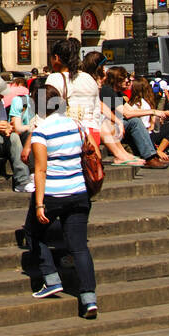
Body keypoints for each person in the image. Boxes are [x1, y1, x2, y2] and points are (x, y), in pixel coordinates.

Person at [29, 76, 99, 318]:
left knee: (33, 233)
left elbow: (40, 170)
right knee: (80, 247)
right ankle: (89, 298)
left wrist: (39, 204)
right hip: (79, 191)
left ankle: (50, 277)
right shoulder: (77, 125)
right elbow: (89, 151)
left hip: (53, 193)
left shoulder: (41, 132)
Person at [70, 49, 143, 166]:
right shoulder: (88, 81)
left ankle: (122, 153)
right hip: (82, 120)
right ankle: (119, 155)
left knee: (107, 123)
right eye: (103, 67)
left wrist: (117, 120)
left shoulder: (92, 81)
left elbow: (99, 104)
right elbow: (98, 105)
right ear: (97, 68)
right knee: (104, 125)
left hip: (91, 118)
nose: (105, 70)